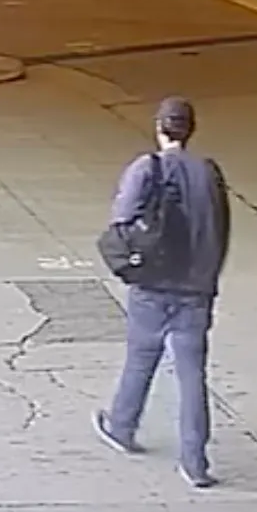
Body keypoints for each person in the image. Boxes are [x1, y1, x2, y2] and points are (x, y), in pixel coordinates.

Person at [94, 96, 232, 487]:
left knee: (141, 357)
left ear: (159, 127)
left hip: (153, 284)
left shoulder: (146, 167)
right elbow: (219, 229)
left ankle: (121, 425)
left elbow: (121, 220)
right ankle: (195, 462)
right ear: (191, 129)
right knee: (192, 375)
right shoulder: (209, 171)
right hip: (196, 288)